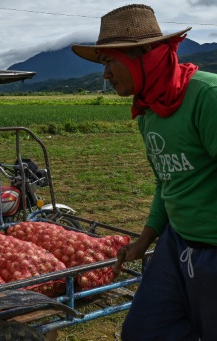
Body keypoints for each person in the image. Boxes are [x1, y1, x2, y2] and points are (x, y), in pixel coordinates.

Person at [71, 4, 217, 341]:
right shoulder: (149, 110)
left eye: (109, 60)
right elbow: (167, 180)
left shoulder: (205, 97)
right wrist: (146, 238)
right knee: (143, 332)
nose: (105, 73)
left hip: (211, 252)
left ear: (145, 55)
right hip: (176, 245)